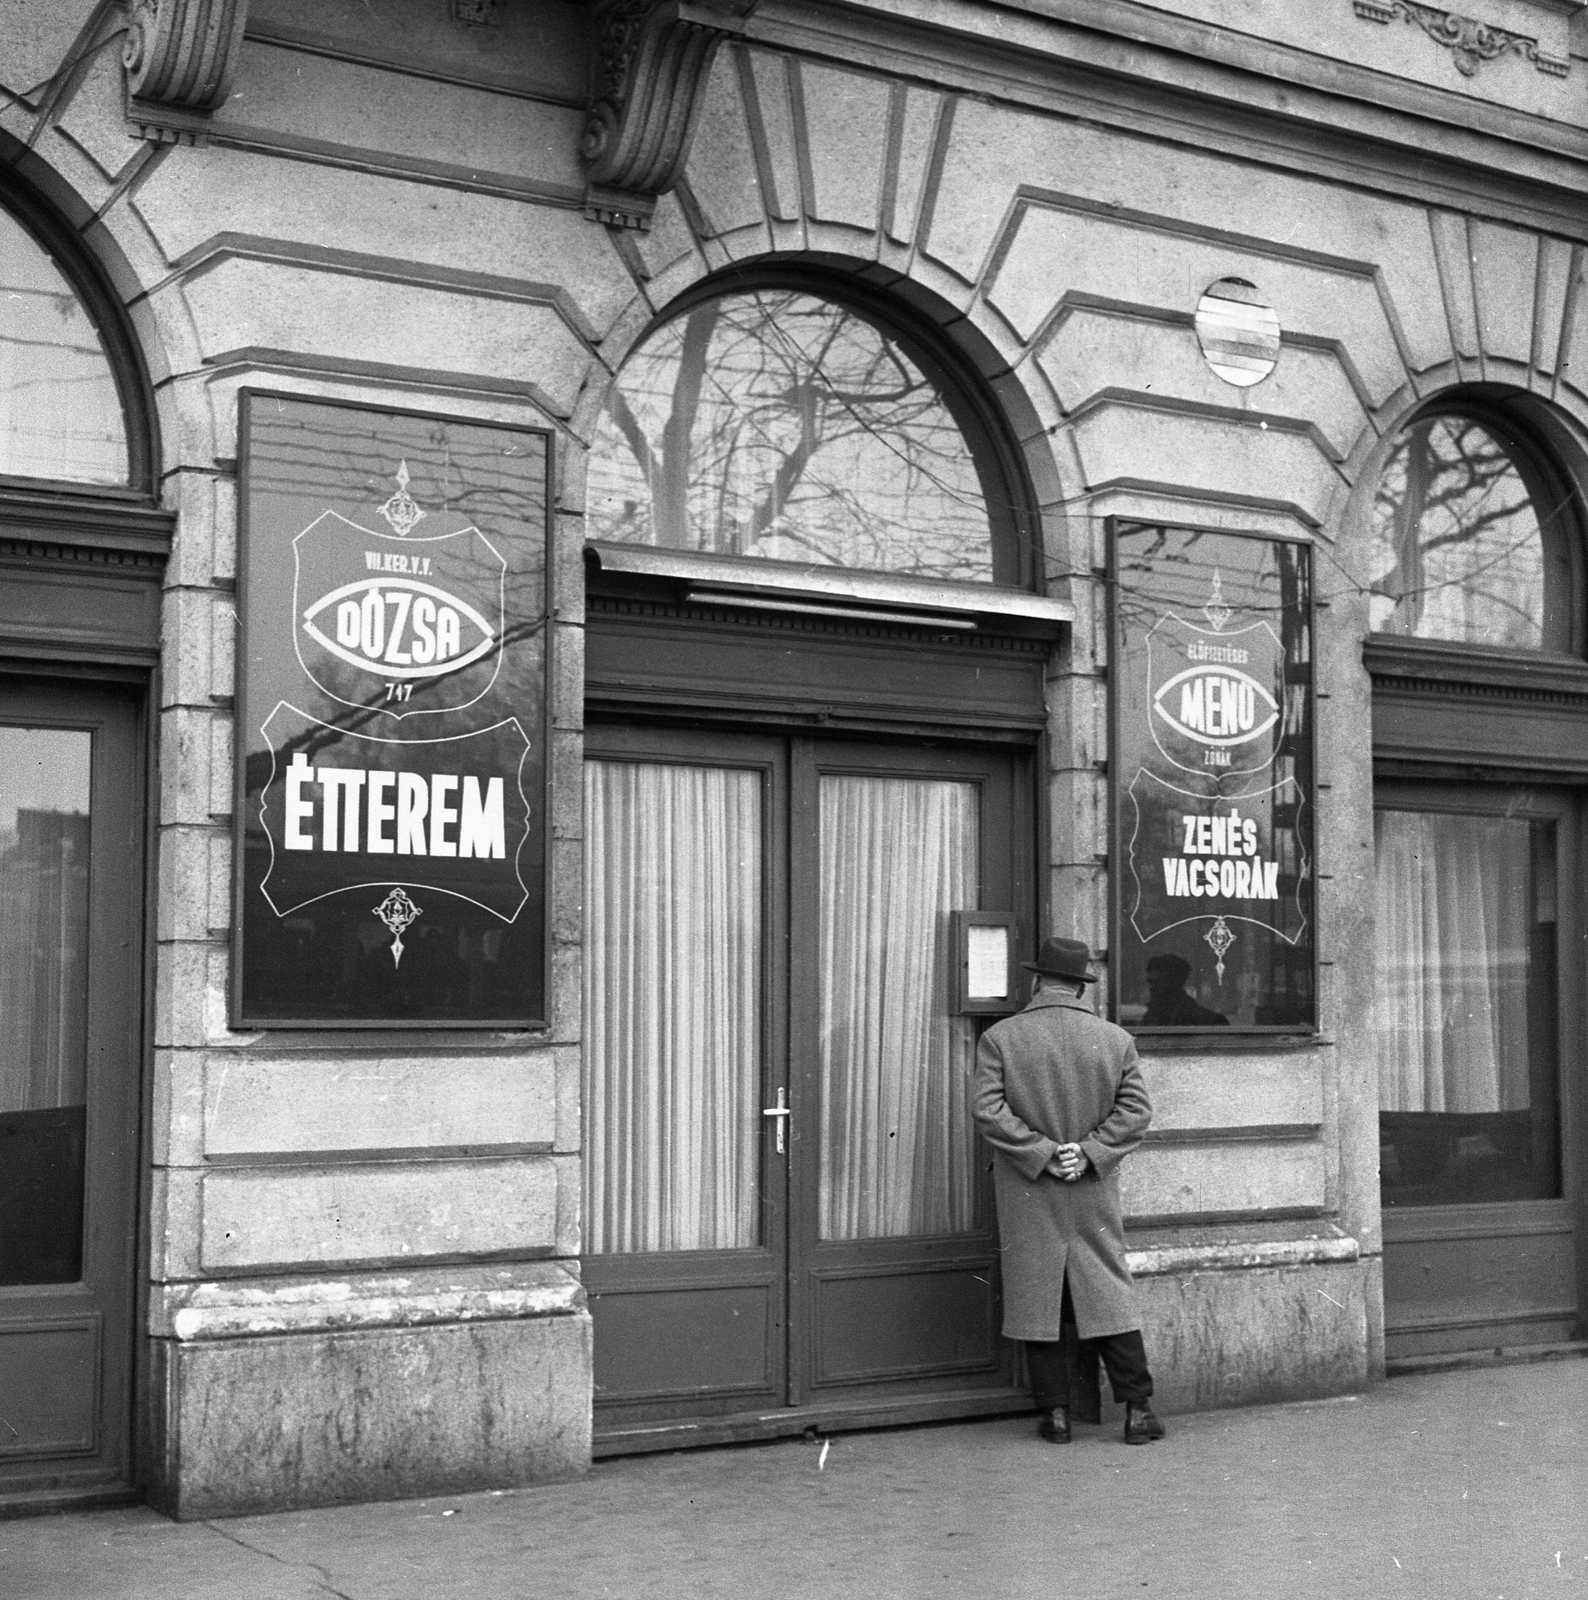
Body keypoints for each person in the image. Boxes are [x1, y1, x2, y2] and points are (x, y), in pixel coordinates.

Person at [970, 935, 1165, 1445]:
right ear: (1080, 986)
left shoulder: (1001, 1038)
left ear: (1037, 981)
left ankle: (1055, 1414)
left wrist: (1043, 1152)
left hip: (1030, 1187)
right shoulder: (1114, 1038)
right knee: (1108, 1294)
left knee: (1041, 1299)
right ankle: (1138, 1410)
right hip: (1091, 1188)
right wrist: (1090, 1151)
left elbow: (988, 1111)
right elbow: (1136, 1113)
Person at [1142, 952, 1228, 1027]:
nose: (1152, 987)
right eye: (1150, 982)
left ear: (1174, 982)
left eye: (1158, 982)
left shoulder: (1198, 1018)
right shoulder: (1153, 1016)